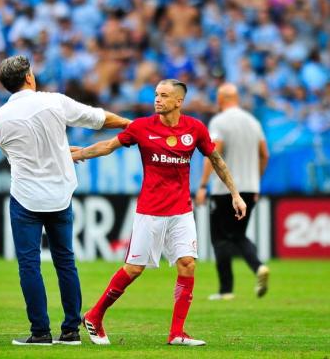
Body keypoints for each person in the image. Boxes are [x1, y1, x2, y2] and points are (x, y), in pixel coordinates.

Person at [71, 79, 247, 346]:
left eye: (164, 96)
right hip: (150, 212)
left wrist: (235, 194)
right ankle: (94, 315)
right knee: (133, 269)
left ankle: (177, 333)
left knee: (188, 264)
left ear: (179, 101)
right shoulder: (141, 127)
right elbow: (108, 146)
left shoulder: (195, 128)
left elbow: (216, 160)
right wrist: (79, 153)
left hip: (181, 211)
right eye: (156, 94)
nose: (157, 99)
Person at [0, 55, 130, 346]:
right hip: (59, 196)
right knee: (66, 262)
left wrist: (57, 152)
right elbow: (99, 118)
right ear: (29, 77)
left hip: (25, 197)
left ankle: (40, 332)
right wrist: (134, 125)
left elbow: (17, 157)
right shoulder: (54, 102)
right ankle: (70, 331)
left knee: (29, 265)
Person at [195, 83, 270, 301]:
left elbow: (214, 154)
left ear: (220, 99)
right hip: (250, 189)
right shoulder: (253, 122)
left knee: (220, 238)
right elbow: (265, 154)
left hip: (224, 190)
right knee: (238, 235)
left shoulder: (220, 121)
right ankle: (258, 267)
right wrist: (256, 181)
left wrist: (202, 185)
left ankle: (226, 290)